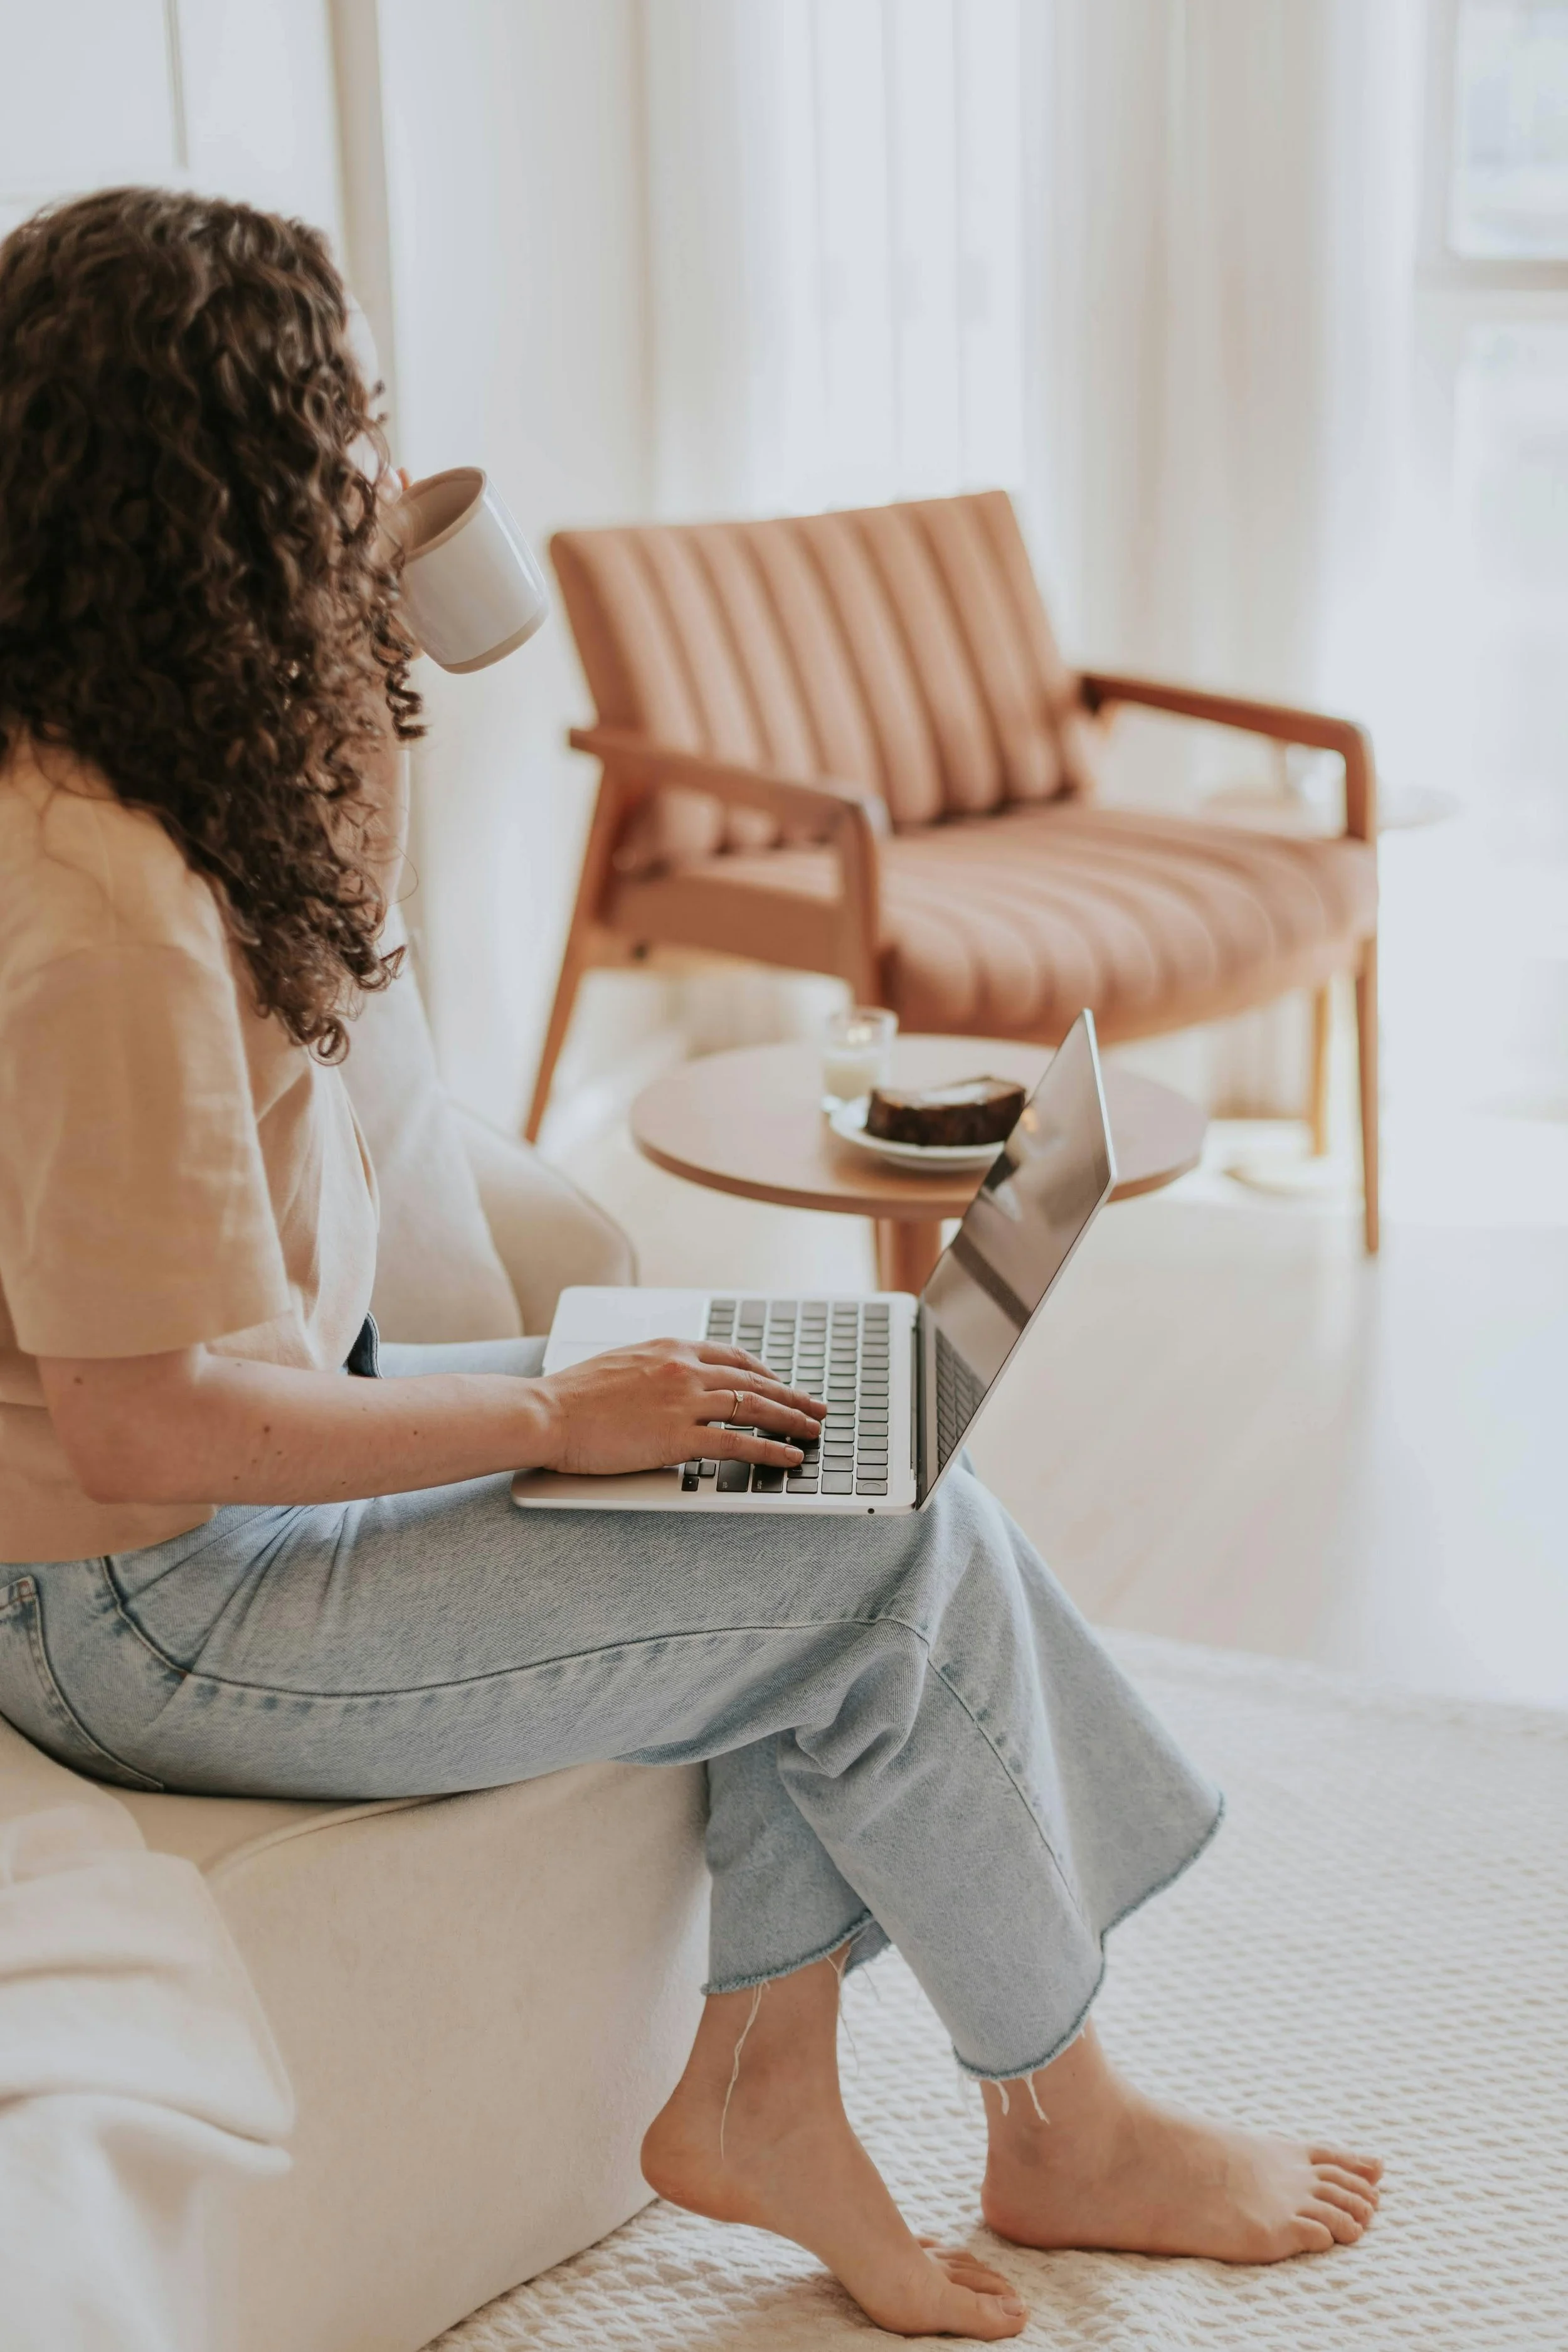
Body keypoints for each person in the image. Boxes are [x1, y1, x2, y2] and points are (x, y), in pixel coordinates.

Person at [0, 187, 1380, 2342]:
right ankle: (1048, 2112)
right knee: (867, 1543)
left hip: (246, 1479)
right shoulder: (92, 904)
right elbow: (136, 1417)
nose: (369, 472)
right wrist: (560, 1411)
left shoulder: (167, 757)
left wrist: (371, 648)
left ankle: (772, 2074)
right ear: (223, 491)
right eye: (330, 445)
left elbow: (340, 990)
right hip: (144, 1597)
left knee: (824, 1420)